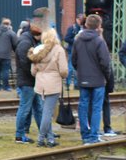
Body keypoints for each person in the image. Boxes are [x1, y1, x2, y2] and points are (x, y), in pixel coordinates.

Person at [70, 12, 112, 144]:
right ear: (98, 26)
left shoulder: (78, 40)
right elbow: (105, 63)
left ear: (86, 24)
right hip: (98, 80)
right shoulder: (99, 41)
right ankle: (94, 135)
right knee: (96, 107)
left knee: (83, 106)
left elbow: (74, 60)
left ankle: (85, 135)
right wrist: (107, 76)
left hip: (83, 78)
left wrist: (81, 71)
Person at [31, 26, 67, 148]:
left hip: (40, 84)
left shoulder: (38, 50)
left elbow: (33, 71)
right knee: (47, 113)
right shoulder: (58, 50)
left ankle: (50, 139)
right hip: (53, 84)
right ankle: (41, 139)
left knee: (45, 111)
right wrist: (61, 75)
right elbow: (63, 70)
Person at [14, 23, 43, 143]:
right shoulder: (25, 43)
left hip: (30, 80)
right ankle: (19, 135)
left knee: (38, 108)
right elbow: (24, 63)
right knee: (25, 108)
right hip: (27, 81)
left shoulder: (28, 41)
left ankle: (45, 131)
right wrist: (35, 73)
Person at [0, 18, 18, 91]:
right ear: (9, 24)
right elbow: (15, 44)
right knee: (6, 71)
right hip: (6, 55)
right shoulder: (11, 33)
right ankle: (6, 86)